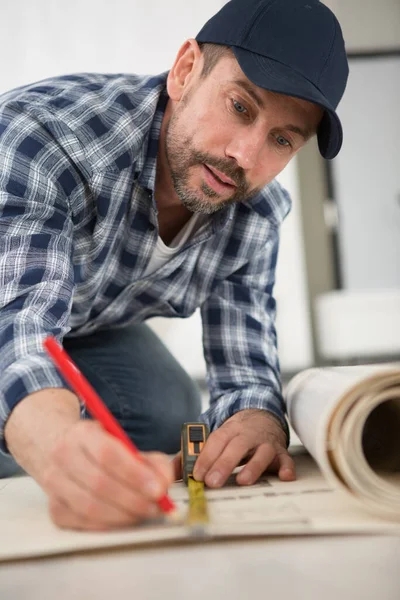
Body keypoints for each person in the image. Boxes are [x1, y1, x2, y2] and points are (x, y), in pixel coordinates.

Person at [0, 0, 348, 531]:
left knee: (168, 407)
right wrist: (56, 445)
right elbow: (18, 327)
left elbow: (245, 371)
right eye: (240, 107)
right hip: (13, 310)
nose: (246, 157)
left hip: (81, 320)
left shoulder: (255, 211)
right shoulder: (45, 137)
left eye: (282, 139)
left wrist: (256, 419)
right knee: (36, 435)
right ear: (186, 70)